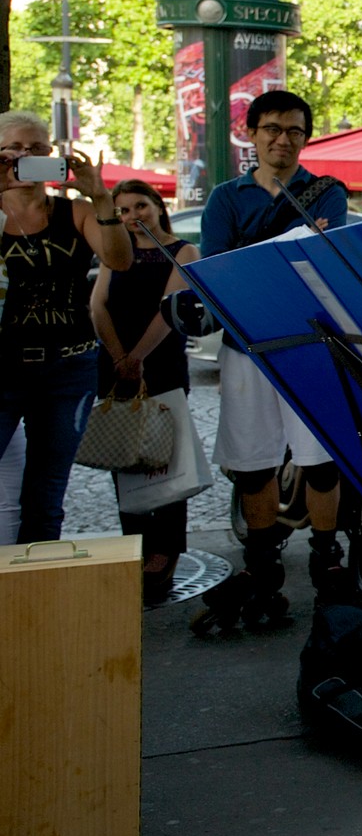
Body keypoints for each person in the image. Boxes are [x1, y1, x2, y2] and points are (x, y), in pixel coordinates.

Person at [193, 90, 349, 633]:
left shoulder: (327, 192)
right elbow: (217, 272)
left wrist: (260, 259)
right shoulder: (225, 198)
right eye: (273, 129)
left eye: (295, 131)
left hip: (309, 341)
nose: (283, 140)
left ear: (306, 138)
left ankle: (327, 560)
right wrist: (288, 248)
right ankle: (262, 571)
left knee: (322, 458)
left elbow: (323, 263)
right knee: (253, 461)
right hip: (246, 344)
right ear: (253, 133)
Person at [0, 110, 133, 542]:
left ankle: (37, 594)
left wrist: (101, 199)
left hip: (68, 368)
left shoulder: (74, 212)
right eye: (14, 149)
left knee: (46, 492)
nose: (25, 156)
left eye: (38, 148)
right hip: (3, 365)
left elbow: (120, 260)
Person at [89, 179, 200, 606]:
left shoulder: (183, 250)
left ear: (158, 206)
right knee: (126, 460)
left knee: (164, 462)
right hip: (117, 367)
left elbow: (170, 310)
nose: (133, 216)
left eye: (141, 206)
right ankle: (134, 542)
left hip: (162, 365)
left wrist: (137, 357)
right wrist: (119, 358)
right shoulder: (113, 250)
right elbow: (98, 305)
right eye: (122, 210)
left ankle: (166, 547)